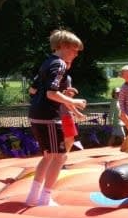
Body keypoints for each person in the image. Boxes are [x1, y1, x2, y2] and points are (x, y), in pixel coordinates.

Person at [26, 29, 87, 206]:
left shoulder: (47, 63)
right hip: (49, 117)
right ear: (64, 46)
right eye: (75, 50)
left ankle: (33, 196)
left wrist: (63, 96)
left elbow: (33, 90)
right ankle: (45, 197)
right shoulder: (59, 64)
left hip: (37, 115)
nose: (76, 54)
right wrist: (73, 102)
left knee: (48, 156)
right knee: (60, 157)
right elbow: (51, 93)